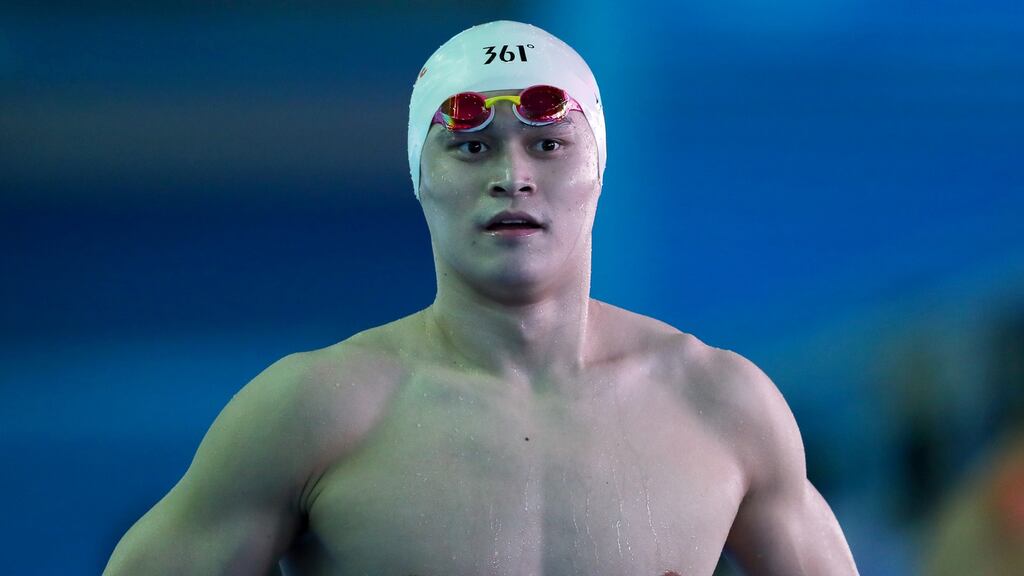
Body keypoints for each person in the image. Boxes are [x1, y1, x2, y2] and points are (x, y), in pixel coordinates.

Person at [103, 20, 859, 576]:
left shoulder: (720, 406)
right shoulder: (313, 411)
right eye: (471, 146)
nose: (512, 176)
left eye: (548, 144)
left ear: (599, 169)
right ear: (420, 175)